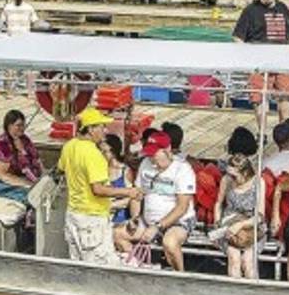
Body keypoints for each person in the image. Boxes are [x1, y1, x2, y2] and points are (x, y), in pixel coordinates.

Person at [59, 107, 142, 264]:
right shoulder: (93, 154)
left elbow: (62, 170)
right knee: (101, 267)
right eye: (101, 126)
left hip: (73, 214)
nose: (105, 130)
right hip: (92, 218)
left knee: (77, 265)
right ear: (90, 129)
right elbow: (98, 189)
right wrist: (128, 192)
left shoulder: (69, 146)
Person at [115, 131, 196, 271]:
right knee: (117, 234)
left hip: (177, 221)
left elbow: (182, 207)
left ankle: (180, 277)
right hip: (148, 220)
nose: (151, 158)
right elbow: (137, 194)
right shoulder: (145, 164)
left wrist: (158, 226)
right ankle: (139, 266)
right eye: (149, 154)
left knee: (170, 243)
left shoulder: (183, 169)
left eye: (155, 154)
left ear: (167, 150)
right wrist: (135, 218)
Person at [233, 0, 289, 126]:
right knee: (259, 99)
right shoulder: (250, 10)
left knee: (285, 98)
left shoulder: (283, 8)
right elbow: (238, 38)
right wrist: (247, 62)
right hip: (259, 64)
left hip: (283, 62)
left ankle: (284, 130)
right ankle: (262, 133)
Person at [211, 154, 262, 278]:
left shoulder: (258, 183)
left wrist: (241, 225)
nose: (231, 178)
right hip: (229, 222)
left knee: (248, 261)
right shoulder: (227, 180)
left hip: (250, 224)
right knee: (234, 259)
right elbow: (218, 203)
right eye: (229, 174)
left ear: (245, 173)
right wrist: (217, 223)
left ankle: (252, 292)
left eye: (234, 175)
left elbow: (260, 215)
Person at [0, 110, 43, 203]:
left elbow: (35, 160)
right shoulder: (2, 145)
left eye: (23, 125)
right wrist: (24, 183)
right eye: (18, 125)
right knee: (31, 198)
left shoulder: (25, 140)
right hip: (7, 185)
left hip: (29, 179)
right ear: (10, 126)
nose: (22, 128)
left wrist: (22, 151)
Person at [100, 134, 136, 228]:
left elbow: (131, 197)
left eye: (105, 151)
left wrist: (112, 205)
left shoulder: (125, 171)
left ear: (114, 151)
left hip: (119, 217)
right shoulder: (99, 169)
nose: (101, 154)